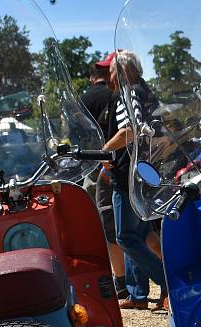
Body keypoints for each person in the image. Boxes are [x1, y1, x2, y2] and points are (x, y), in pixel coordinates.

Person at [102, 50, 168, 310]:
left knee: (125, 237)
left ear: (123, 70)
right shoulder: (146, 93)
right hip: (147, 172)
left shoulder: (127, 93)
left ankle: (166, 281)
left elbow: (129, 130)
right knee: (137, 236)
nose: (109, 75)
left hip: (128, 175)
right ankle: (137, 293)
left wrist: (105, 150)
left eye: (112, 70)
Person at [81, 56, 129, 298]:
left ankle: (120, 281)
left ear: (92, 77)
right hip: (122, 164)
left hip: (95, 167)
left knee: (108, 224)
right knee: (126, 224)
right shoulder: (116, 94)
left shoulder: (83, 99)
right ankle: (129, 280)